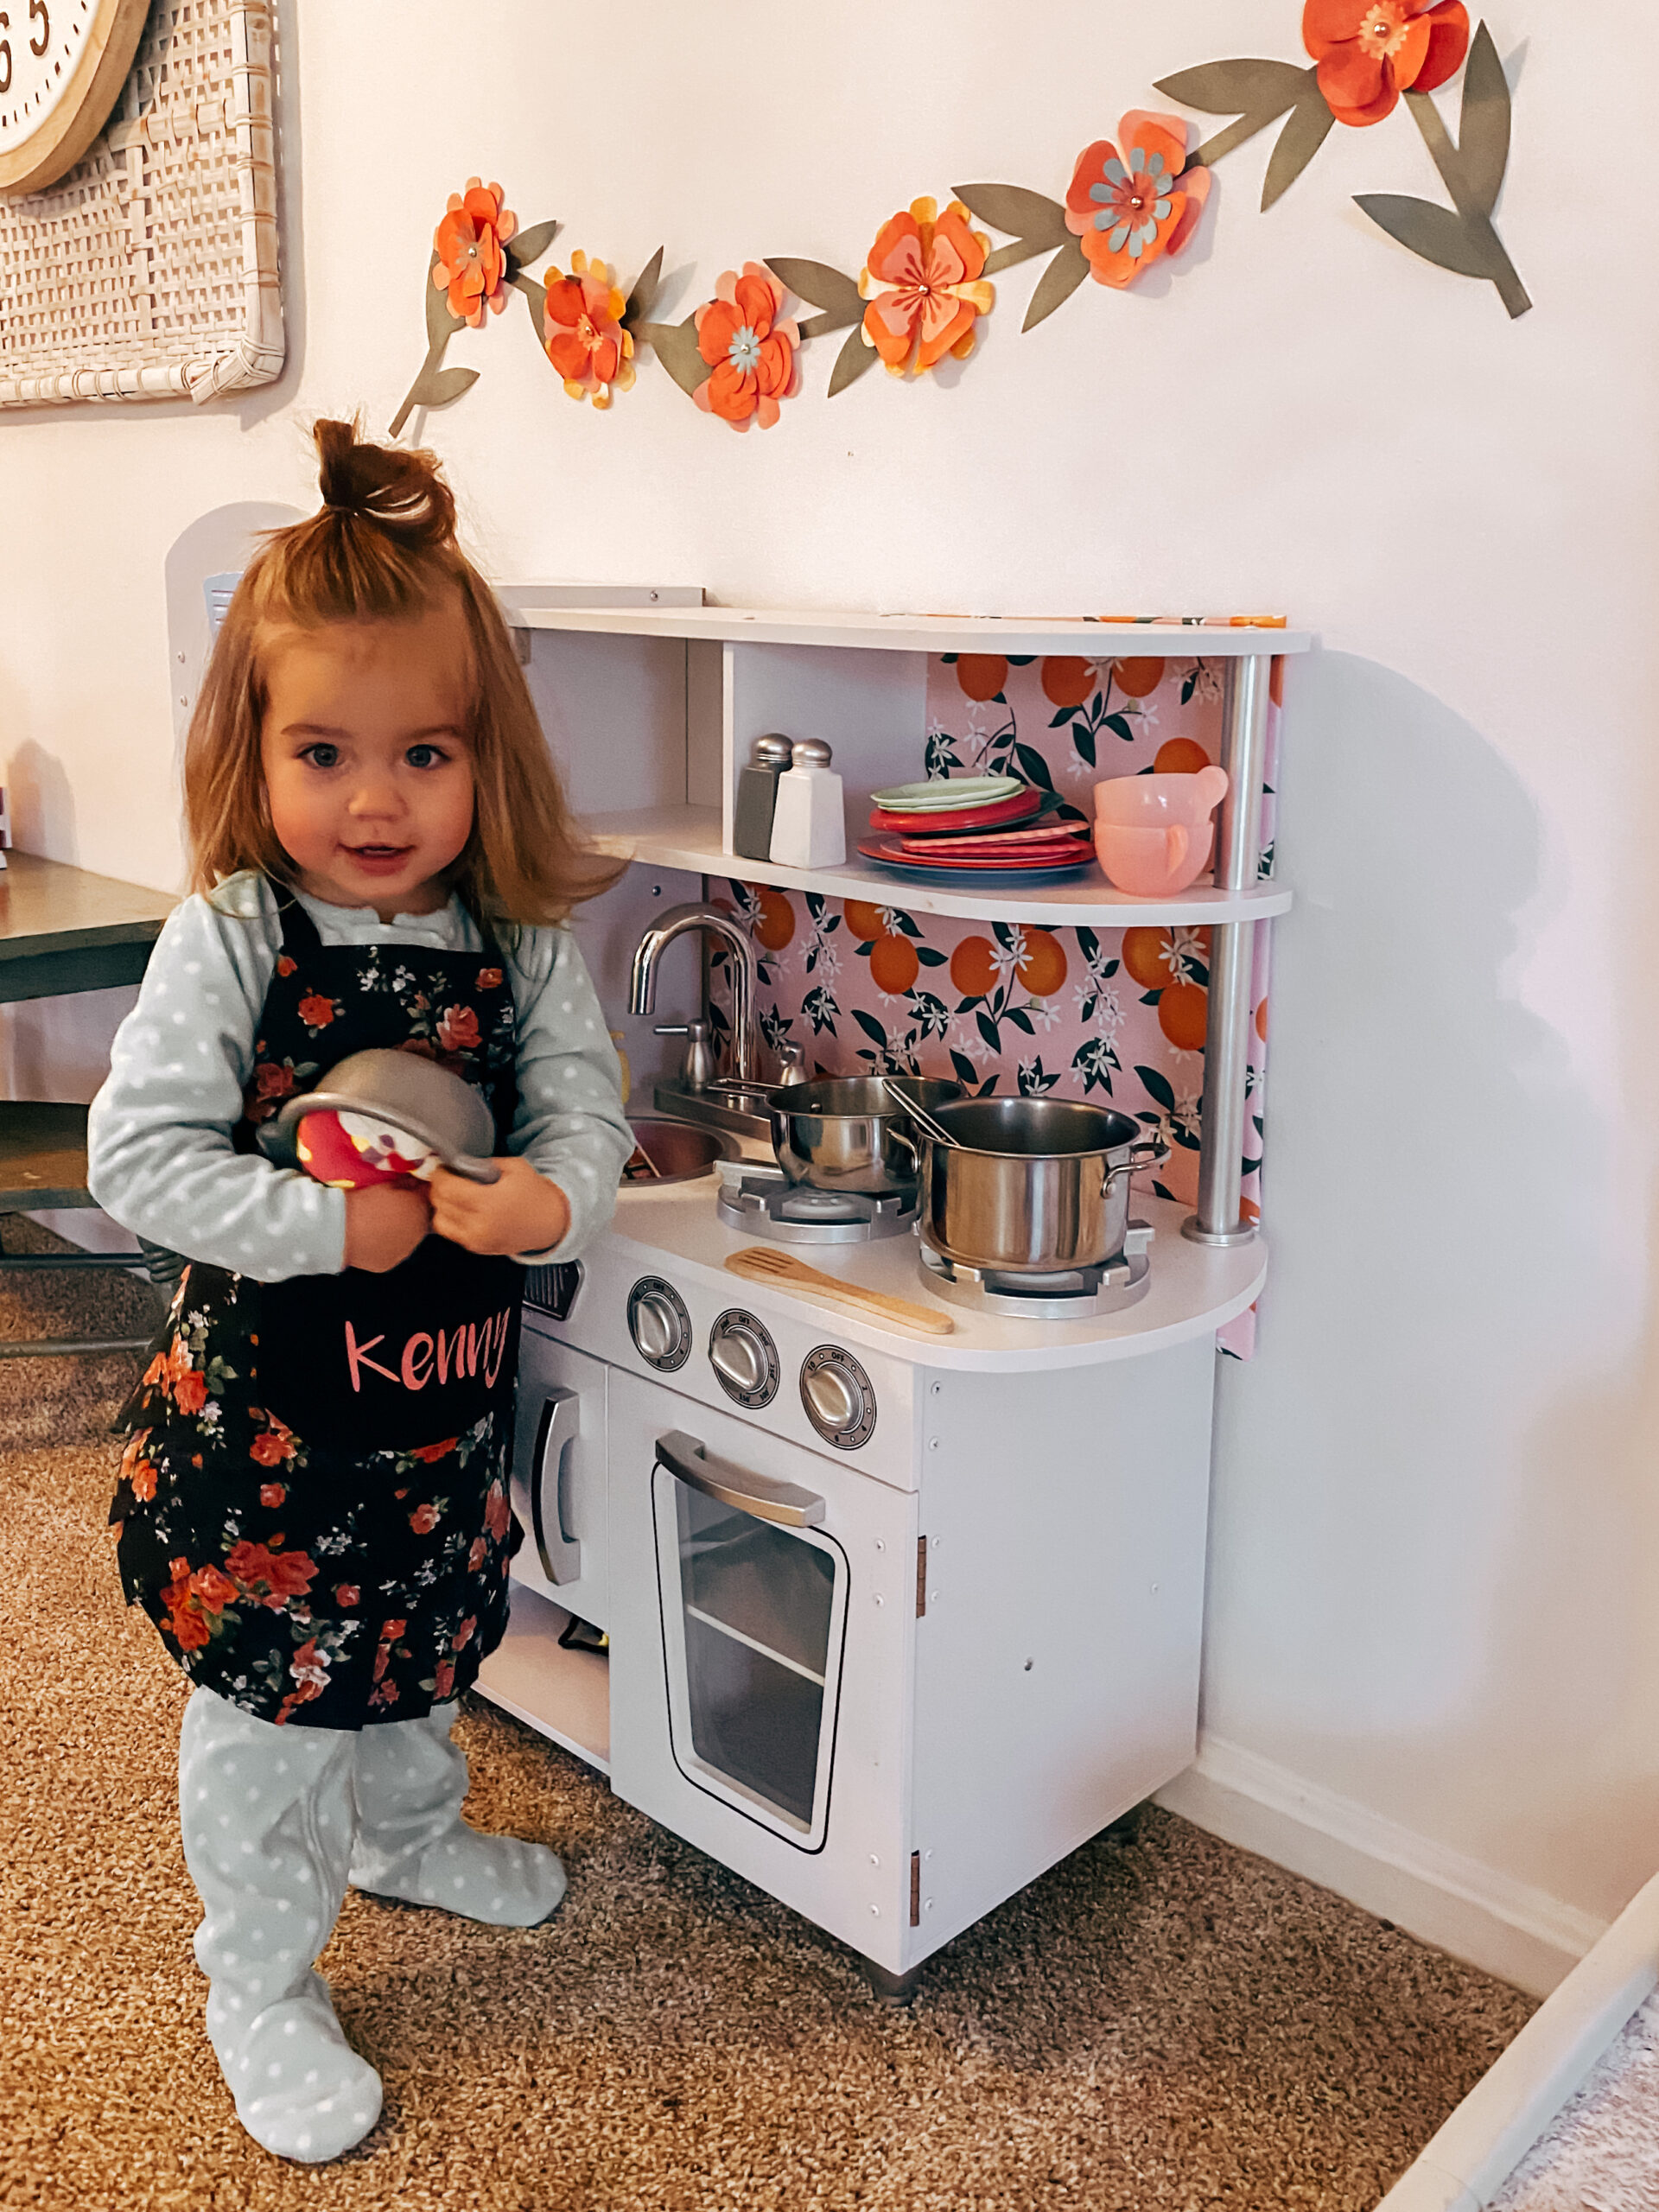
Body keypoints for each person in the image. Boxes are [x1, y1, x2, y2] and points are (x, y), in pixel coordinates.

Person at [86, 419, 632, 2164]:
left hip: (434, 1424)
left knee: (418, 1657)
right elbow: (136, 1161)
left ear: (489, 762)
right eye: (325, 749)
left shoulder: (519, 945)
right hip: (265, 1453)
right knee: (266, 1717)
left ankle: (409, 1832)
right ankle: (256, 1972)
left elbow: (588, 1126)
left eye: (425, 750)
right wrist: (336, 1234)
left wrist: (551, 1194)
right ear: (253, 753)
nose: (378, 797)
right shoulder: (236, 931)